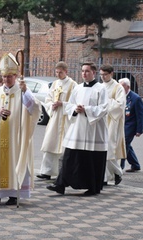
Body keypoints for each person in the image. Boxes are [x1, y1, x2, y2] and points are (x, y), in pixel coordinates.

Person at [47, 62, 108, 196]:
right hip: (78, 128)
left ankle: (93, 187)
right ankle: (60, 184)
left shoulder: (101, 89)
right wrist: (75, 109)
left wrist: (86, 110)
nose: (84, 74)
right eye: (82, 71)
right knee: (69, 156)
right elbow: (70, 105)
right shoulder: (78, 88)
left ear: (94, 72)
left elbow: (104, 108)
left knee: (91, 160)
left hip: (93, 130)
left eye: (87, 71)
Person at [0, 53, 40, 206]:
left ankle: (14, 194)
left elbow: (35, 108)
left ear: (16, 75)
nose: (7, 79)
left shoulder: (23, 91)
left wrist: (26, 92)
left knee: (16, 161)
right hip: (0, 135)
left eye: (10, 76)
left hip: (17, 135)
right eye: (4, 76)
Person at [37, 62, 76, 180]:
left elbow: (75, 102)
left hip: (66, 119)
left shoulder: (73, 85)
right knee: (50, 143)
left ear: (66, 71)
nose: (58, 74)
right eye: (57, 72)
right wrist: (51, 105)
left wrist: (63, 104)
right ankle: (46, 171)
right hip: (55, 118)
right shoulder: (54, 84)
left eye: (61, 72)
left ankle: (63, 172)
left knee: (64, 147)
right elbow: (47, 98)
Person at [100, 65, 125, 185]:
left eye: (105, 74)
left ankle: (117, 172)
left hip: (112, 122)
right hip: (100, 120)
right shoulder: (99, 86)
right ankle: (105, 177)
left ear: (111, 74)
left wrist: (106, 102)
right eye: (101, 74)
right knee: (101, 149)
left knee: (110, 149)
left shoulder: (118, 87)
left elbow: (120, 105)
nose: (103, 77)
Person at [119, 78, 143, 172]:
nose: (120, 88)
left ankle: (120, 167)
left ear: (128, 87)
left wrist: (139, 130)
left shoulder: (135, 98)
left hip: (130, 126)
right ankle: (135, 164)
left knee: (124, 145)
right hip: (121, 125)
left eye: (122, 86)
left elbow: (140, 115)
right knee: (128, 145)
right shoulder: (120, 96)